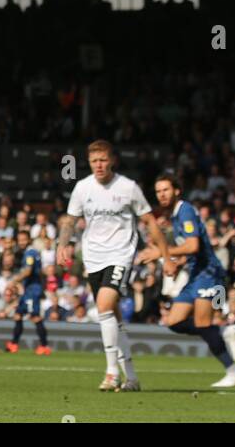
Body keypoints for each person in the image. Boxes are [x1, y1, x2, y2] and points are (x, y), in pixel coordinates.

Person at [60, 140, 160, 392]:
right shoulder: (82, 188)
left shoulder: (128, 187)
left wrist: (163, 253)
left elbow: (149, 219)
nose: (99, 165)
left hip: (120, 254)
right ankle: (133, 378)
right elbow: (70, 221)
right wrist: (62, 244)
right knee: (112, 317)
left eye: (103, 160)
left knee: (104, 305)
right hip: (93, 257)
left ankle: (111, 372)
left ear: (112, 160)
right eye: (94, 161)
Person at [137, 175, 235, 387]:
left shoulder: (184, 210)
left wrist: (162, 252)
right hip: (195, 274)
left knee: (203, 323)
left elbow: (193, 245)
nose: (162, 194)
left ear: (177, 190)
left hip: (209, 273)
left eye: (166, 189)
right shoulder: (175, 216)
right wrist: (177, 262)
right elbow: (192, 249)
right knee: (174, 322)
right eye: (158, 191)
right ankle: (223, 333)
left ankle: (234, 373)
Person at [4, 230, 51, 355]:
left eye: (24, 240)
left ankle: (44, 346)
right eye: (19, 240)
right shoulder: (29, 253)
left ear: (29, 240)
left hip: (32, 290)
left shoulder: (30, 253)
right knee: (18, 315)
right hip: (29, 290)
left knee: (35, 316)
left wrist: (13, 281)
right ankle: (14, 344)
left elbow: (28, 271)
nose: (21, 242)